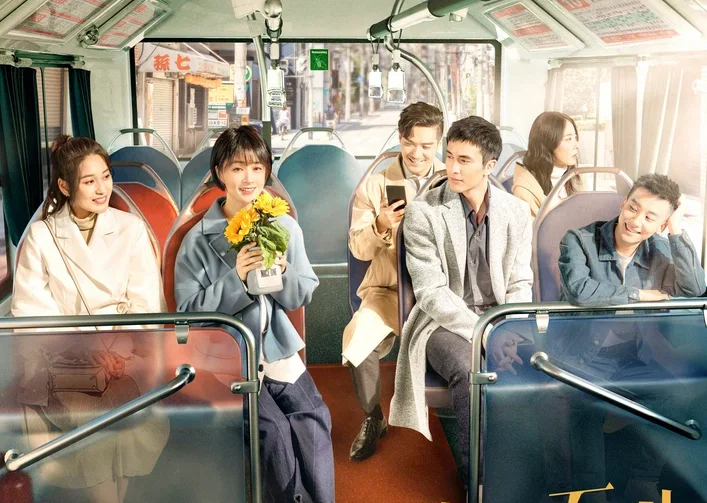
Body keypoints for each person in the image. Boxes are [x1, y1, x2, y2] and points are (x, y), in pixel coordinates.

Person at [174, 126, 334, 503]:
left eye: (257, 168)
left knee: (315, 422)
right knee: (274, 433)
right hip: (226, 360)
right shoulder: (196, 239)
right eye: (237, 168)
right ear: (219, 173)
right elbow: (187, 315)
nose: (248, 179)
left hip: (275, 350)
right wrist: (238, 281)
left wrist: (283, 272)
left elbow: (302, 293)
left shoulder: (284, 226)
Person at [12, 135, 169, 503]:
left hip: (125, 358)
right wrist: (85, 351)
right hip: (62, 364)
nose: (102, 189)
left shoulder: (130, 229)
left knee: (122, 424)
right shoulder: (42, 235)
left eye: (106, 177)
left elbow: (146, 303)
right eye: (89, 181)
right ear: (65, 186)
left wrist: (119, 352)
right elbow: (32, 313)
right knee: (94, 425)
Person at [389, 116, 534, 482]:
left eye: (464, 160)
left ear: (489, 165)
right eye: (450, 156)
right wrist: (486, 334)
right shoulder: (423, 211)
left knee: (548, 367)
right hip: (442, 323)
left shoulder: (516, 212)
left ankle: (540, 474)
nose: (452, 168)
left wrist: (506, 329)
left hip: (502, 318)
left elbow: (520, 281)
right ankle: (479, 482)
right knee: (472, 373)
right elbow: (431, 293)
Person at [557, 173, 705, 501]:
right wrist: (640, 295)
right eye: (633, 208)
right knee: (585, 408)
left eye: (651, 217)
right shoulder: (578, 240)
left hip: (631, 357)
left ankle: (642, 479)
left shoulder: (659, 249)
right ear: (623, 203)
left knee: (679, 397)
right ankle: (590, 491)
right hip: (581, 358)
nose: (636, 221)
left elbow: (695, 290)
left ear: (660, 223)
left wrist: (676, 229)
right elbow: (581, 291)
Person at [344, 102, 445, 461]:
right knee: (359, 337)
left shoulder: (451, 181)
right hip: (387, 288)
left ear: (438, 144)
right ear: (400, 139)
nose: (417, 153)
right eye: (410, 143)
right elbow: (358, 248)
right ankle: (374, 417)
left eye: (427, 145)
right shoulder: (375, 186)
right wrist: (381, 224)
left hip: (439, 290)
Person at [512, 111, 581, 219]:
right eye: (568, 139)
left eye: (575, 137)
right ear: (548, 143)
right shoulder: (525, 189)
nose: (576, 145)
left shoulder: (577, 177)